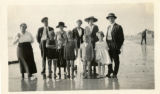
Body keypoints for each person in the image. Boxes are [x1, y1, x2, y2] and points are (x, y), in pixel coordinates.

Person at [105, 13, 124, 78]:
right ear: (108, 19)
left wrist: (118, 47)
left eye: (112, 18)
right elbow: (107, 37)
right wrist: (107, 45)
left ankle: (115, 73)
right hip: (109, 45)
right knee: (109, 60)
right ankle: (110, 71)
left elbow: (122, 38)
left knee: (116, 60)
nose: (110, 19)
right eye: (109, 18)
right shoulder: (108, 27)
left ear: (114, 18)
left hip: (115, 45)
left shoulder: (118, 27)